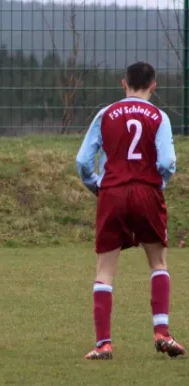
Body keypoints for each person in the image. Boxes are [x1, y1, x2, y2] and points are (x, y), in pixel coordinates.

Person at [76, 61, 185, 360]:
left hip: (112, 192)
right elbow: (166, 162)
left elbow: (83, 161)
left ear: (123, 84)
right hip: (146, 191)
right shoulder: (159, 116)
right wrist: (157, 183)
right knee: (158, 263)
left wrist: (97, 185)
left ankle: (103, 344)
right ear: (154, 85)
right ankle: (162, 333)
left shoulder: (105, 113)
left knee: (105, 270)